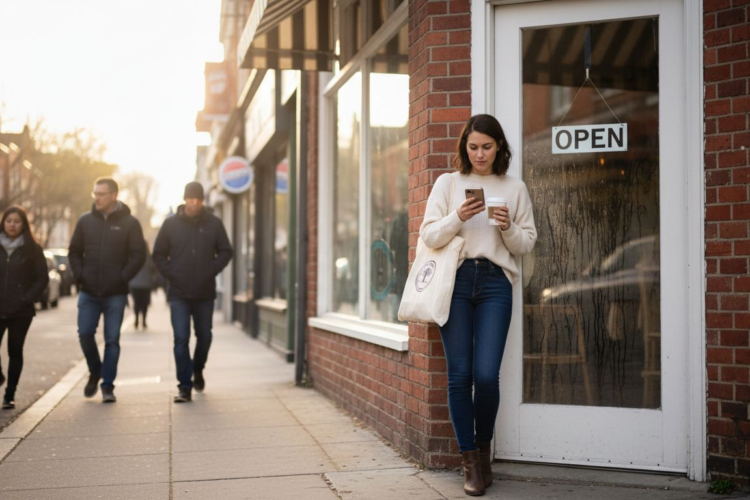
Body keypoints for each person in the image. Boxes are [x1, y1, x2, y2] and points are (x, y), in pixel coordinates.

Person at [420, 114, 537, 496]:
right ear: (464, 147)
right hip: (453, 282)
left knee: (486, 376)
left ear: (499, 147)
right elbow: (429, 235)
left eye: (487, 146)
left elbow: (526, 244)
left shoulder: (513, 187)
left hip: (494, 283)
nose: (480, 154)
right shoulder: (448, 184)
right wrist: (458, 216)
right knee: (460, 376)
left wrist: (506, 227)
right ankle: (469, 462)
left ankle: (484, 454)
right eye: (473, 147)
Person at [153, 181, 232, 403]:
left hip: (204, 292)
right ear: (184, 199)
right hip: (178, 292)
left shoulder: (214, 224)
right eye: (190, 199)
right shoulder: (170, 225)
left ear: (203, 200)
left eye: (198, 200)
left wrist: (211, 270)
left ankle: (198, 369)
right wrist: (172, 273)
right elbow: (158, 254)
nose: (194, 203)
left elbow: (226, 251)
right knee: (181, 339)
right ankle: (184, 386)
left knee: (204, 336)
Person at [69, 177, 146, 403]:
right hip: (88, 291)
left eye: (101, 194)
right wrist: (80, 275)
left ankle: (108, 386)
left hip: (116, 293)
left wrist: (121, 277)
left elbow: (139, 255)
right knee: (85, 333)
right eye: (95, 194)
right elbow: (74, 251)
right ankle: (95, 370)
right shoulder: (85, 221)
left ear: (113, 195)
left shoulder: (130, 223)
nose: (97, 198)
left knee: (112, 340)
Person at [0, 206, 49, 410]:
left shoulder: (32, 248)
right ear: (3, 223)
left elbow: (42, 278)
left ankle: (10, 394)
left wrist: (27, 297)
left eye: (17, 221)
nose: (12, 224)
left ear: (23, 224)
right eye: (9, 220)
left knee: (15, 350)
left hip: (21, 310)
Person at [129, 242, 158, 330]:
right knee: (144, 303)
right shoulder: (149, 257)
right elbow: (154, 269)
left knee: (137, 303)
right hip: (146, 284)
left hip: (135, 284)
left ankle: (137, 319)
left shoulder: (132, 256)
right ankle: (143, 321)